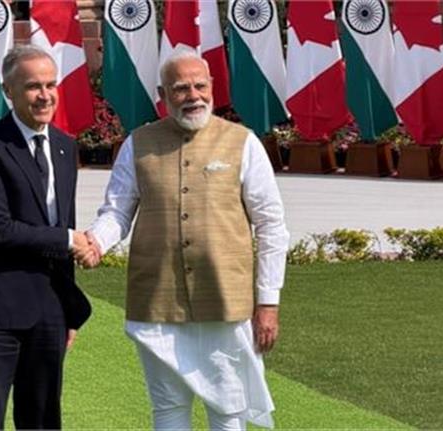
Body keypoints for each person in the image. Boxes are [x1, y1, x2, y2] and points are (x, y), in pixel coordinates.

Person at [81, 50, 289, 430]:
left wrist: (268, 301)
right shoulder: (138, 143)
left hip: (225, 300)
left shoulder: (243, 143)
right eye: (181, 88)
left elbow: (271, 226)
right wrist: (96, 241)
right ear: (163, 94)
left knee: (228, 408)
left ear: (212, 87)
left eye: (200, 85)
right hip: (157, 301)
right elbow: (117, 212)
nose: (193, 95)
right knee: (168, 407)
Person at [0, 44, 93, 430]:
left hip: (49, 310)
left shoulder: (64, 146)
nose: (45, 95)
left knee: (43, 419)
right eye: (33, 86)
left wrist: (68, 310)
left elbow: (61, 221)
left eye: (51, 84)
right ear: (8, 91)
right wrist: (69, 240)